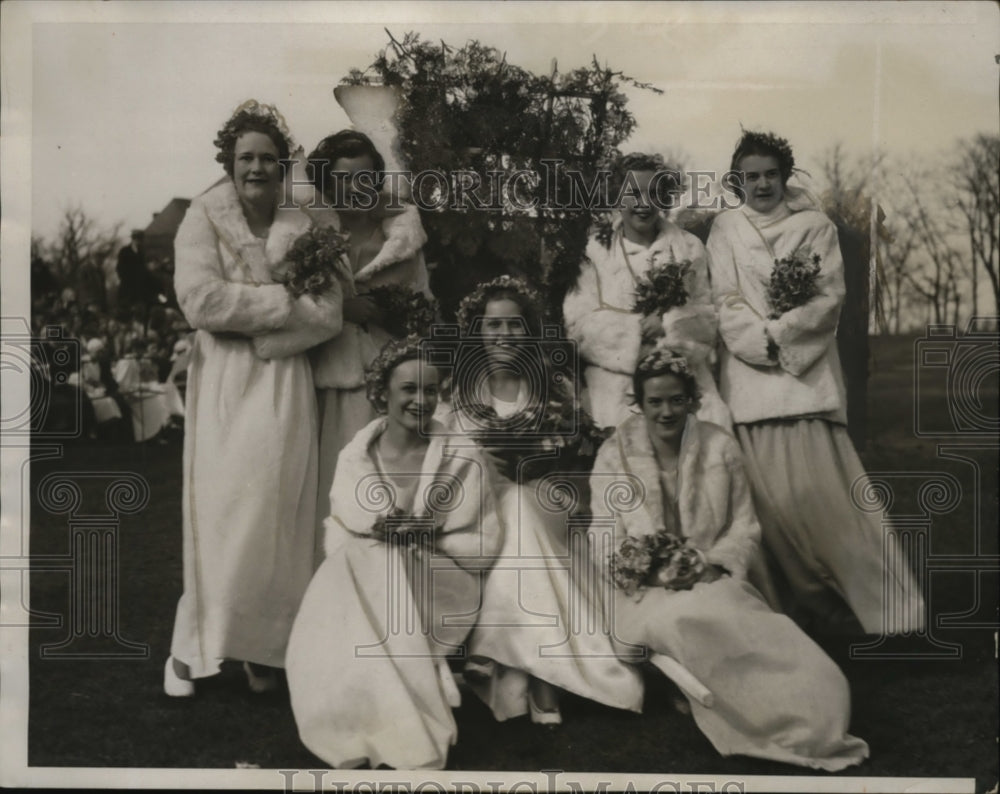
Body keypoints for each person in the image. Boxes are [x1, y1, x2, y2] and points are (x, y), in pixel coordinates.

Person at [590, 345, 869, 770]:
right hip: (644, 594)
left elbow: (744, 527)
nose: (666, 412)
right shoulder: (614, 455)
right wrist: (644, 568)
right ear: (639, 403)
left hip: (710, 578)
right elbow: (603, 535)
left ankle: (812, 709)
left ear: (693, 400)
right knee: (686, 622)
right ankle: (747, 715)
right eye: (655, 402)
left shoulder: (719, 447)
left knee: (758, 630)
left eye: (676, 400)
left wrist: (713, 564)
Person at [706, 130, 924, 634]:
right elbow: (723, 299)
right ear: (738, 182)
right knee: (770, 517)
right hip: (748, 387)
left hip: (805, 388)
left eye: (769, 174)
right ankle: (801, 618)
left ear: (785, 176)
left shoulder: (815, 226)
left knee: (831, 510)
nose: (761, 184)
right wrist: (759, 342)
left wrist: (781, 337)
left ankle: (887, 614)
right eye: (751, 176)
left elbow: (827, 299)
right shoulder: (724, 229)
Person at [164, 100, 343, 696]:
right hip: (223, 383)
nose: (257, 168)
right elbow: (200, 302)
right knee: (222, 512)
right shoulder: (202, 217)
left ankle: (265, 648)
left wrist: (259, 319)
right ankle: (194, 646)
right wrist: (277, 301)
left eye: (269, 157)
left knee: (277, 513)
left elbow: (328, 316)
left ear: (283, 164)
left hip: (283, 379)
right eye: (246, 157)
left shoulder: (305, 225)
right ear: (228, 162)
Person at [285, 337, 502, 769]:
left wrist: (424, 534)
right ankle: (355, 716)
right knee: (358, 560)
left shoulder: (462, 455)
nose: (421, 401)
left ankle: (399, 721)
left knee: (367, 563)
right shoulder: (356, 456)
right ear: (383, 392)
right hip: (371, 578)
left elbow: (482, 541)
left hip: (443, 580)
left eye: (430, 391)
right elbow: (344, 531)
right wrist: (383, 534)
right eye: (409, 389)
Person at [446, 276, 643, 726]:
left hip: (546, 506)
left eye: (514, 325)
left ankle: (493, 654)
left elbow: (576, 465)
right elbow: (446, 469)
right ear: (478, 331)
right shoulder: (458, 392)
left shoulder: (554, 388)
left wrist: (535, 467)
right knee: (511, 512)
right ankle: (541, 679)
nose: (504, 336)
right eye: (493, 326)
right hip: (479, 514)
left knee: (520, 507)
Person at [300, 130, 433, 555]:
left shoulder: (401, 236)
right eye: (342, 179)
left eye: (363, 178)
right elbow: (295, 305)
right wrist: (342, 312)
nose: (353, 189)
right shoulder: (309, 236)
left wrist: (395, 313)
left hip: (388, 381)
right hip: (328, 379)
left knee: (387, 490)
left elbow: (424, 306)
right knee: (333, 492)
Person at [563, 152, 730, 431]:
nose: (644, 204)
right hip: (615, 383)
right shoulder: (594, 251)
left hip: (681, 377)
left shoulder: (689, 248)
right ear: (617, 197)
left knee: (708, 437)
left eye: (653, 193)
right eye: (634, 193)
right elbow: (577, 322)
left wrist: (668, 325)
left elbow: (708, 318)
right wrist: (635, 331)